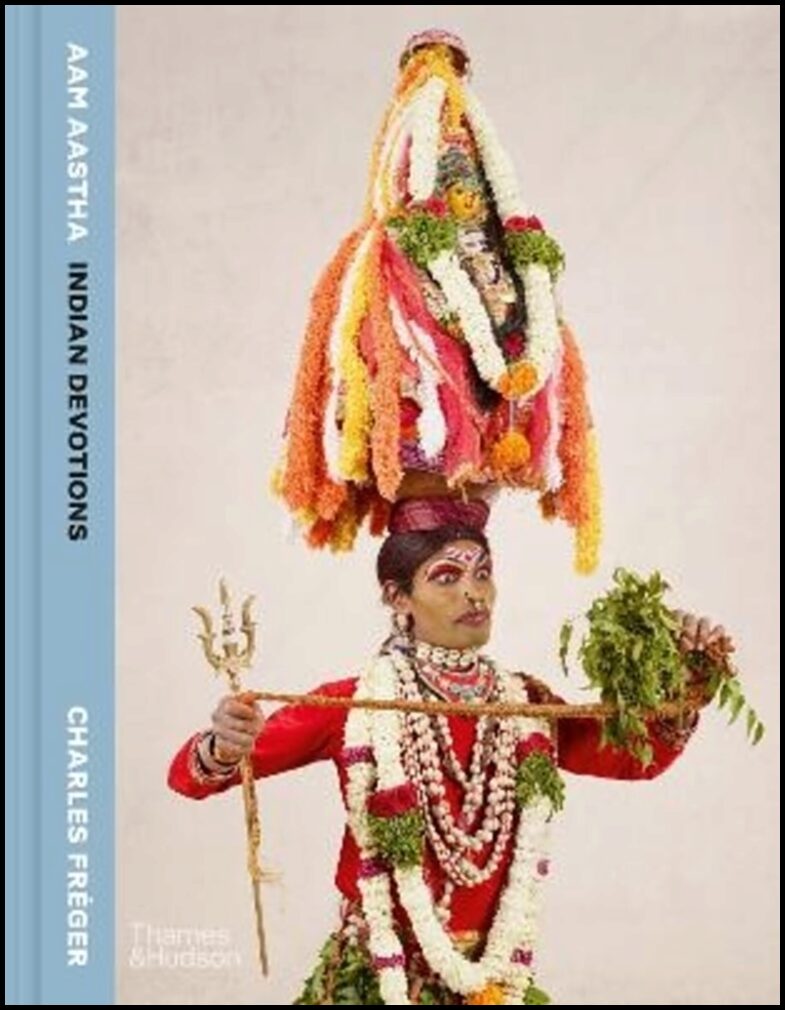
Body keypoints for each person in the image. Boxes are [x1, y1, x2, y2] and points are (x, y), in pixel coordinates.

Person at [168, 498, 727, 1005]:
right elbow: (193, 774)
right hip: (380, 979)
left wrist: (686, 675)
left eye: (483, 573)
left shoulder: (524, 706)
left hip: (493, 979)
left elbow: (633, 756)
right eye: (446, 577)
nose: (474, 592)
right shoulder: (358, 703)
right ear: (397, 597)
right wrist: (226, 741)